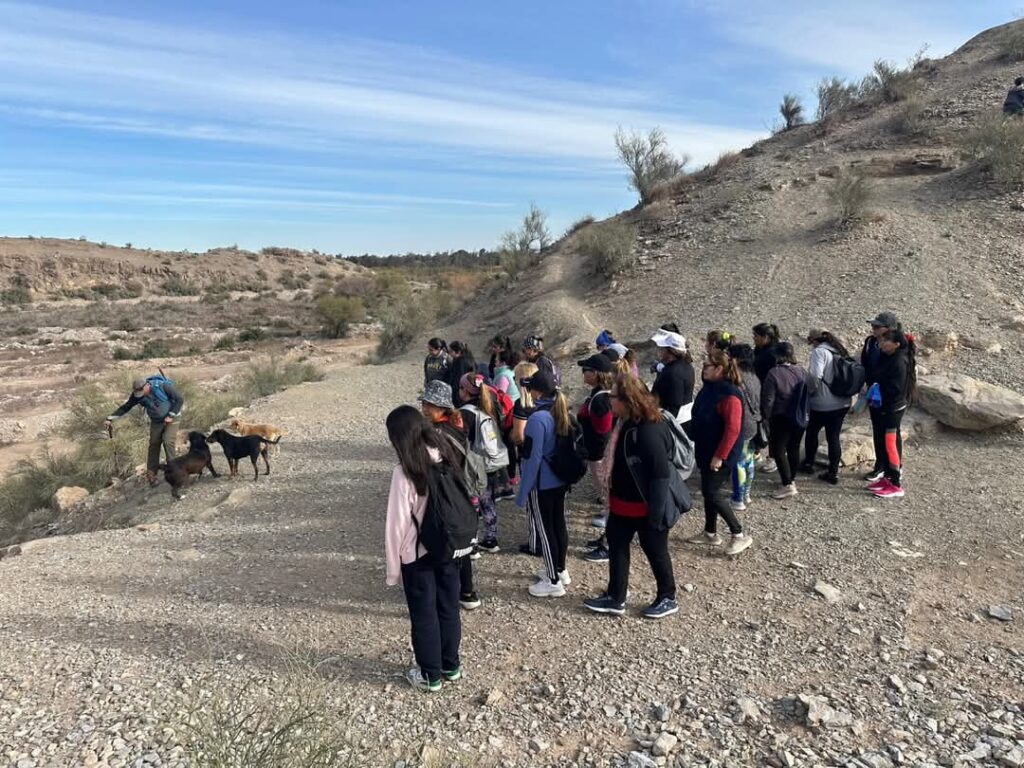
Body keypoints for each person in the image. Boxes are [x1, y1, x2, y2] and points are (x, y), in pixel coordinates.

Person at [583, 374, 686, 618]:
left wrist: (656, 516)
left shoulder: (648, 430)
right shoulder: (626, 423)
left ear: (628, 400)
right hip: (622, 504)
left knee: (656, 551)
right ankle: (616, 596)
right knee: (617, 547)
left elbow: (660, 474)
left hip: (645, 507)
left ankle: (667, 597)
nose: (609, 401)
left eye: (612, 397)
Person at [383, 405, 463, 692]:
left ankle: (430, 675)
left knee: (424, 615)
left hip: (417, 554)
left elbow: (396, 525)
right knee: (448, 608)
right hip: (450, 547)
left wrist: (393, 571)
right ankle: (450, 665)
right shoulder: (445, 454)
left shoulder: (405, 471)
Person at [419, 381, 481, 611]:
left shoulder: (435, 434)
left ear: (442, 407)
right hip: (461, 491)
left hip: (444, 492)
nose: (425, 408)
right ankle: (467, 591)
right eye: (424, 403)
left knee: (444, 541)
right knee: (461, 542)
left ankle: (445, 595)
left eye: (430, 405)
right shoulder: (456, 425)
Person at [687, 350, 752, 555]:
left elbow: (732, 429)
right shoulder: (709, 389)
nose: (703, 369)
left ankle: (738, 533)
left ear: (719, 369)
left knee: (712, 492)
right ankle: (710, 532)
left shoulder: (730, 394)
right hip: (705, 448)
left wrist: (720, 456)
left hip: (721, 452)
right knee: (708, 489)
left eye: (707, 366)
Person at [516, 369, 571, 598]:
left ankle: (552, 580)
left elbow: (532, 459)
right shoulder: (560, 411)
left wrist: (523, 492)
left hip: (542, 483)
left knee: (545, 531)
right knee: (558, 524)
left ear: (536, 392)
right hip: (559, 480)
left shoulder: (537, 419)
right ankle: (560, 569)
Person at [458, 373, 509, 553]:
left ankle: (471, 545)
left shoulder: (465, 413)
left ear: (465, 391)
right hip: (490, 464)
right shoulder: (488, 408)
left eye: (460, 387)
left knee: (471, 505)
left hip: (473, 467)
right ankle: (491, 539)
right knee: (488, 503)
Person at [105, 375, 184, 486]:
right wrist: (110, 418)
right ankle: (151, 474)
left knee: (167, 441)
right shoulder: (137, 396)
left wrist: (171, 415)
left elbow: (179, 399)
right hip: (157, 421)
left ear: (147, 385)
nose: (140, 395)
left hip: (173, 417)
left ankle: (175, 471)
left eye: (142, 392)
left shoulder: (162, 386)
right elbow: (126, 407)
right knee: (154, 443)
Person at [867, 329, 917, 499]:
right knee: (883, 442)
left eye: (885, 341)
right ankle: (887, 478)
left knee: (890, 444)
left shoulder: (899, 361)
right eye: (881, 341)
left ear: (896, 344)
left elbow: (896, 389)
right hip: (885, 407)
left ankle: (895, 484)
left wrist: (878, 388)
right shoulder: (889, 356)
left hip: (892, 408)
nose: (881, 344)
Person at [576, 354, 615, 556]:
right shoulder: (601, 394)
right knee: (608, 499)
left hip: (600, 457)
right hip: (598, 455)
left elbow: (603, 432)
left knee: (609, 500)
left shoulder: (601, 399)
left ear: (596, 374)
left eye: (586, 370)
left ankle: (609, 544)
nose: (583, 373)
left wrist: (596, 456)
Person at [801, 329, 852, 485]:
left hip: (823, 403)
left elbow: (815, 375)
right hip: (843, 402)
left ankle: (808, 464)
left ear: (814, 340)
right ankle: (833, 472)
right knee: (833, 437)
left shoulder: (819, 352)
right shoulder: (840, 351)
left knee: (812, 432)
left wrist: (811, 391)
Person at [761, 342, 810, 499]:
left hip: (781, 416)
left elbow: (768, 400)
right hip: (800, 415)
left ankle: (787, 484)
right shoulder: (801, 370)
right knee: (794, 447)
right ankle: (791, 479)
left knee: (778, 450)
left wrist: (765, 417)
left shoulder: (774, 373)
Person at [861, 311, 901, 482]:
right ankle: (881, 465)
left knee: (892, 434)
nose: (874, 329)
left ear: (889, 328)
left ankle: (894, 469)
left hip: (890, 397)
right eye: (873, 326)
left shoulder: (898, 348)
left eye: (877, 326)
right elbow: (865, 363)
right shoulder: (871, 342)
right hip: (874, 394)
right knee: (878, 430)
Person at [511, 361, 539, 555]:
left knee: (532, 500)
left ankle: (535, 542)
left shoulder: (521, 405)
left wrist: (509, 435)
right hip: (545, 455)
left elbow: (519, 436)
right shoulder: (547, 401)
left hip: (528, 456)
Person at [728, 344, 761, 512]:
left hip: (741, 426)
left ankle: (738, 498)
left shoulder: (737, 378)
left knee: (738, 464)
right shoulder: (754, 376)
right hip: (754, 424)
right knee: (749, 462)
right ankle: (746, 494)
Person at [650, 328, 695, 431]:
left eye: (662, 348)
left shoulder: (673, 373)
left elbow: (674, 406)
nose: (660, 350)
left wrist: (661, 427)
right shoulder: (686, 366)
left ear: (670, 351)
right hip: (684, 421)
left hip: (675, 425)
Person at [446, 341, 476, 407]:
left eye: (451, 352)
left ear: (458, 352)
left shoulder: (459, 362)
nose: (449, 354)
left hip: (461, 394)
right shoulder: (470, 359)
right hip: (470, 392)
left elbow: (458, 379)